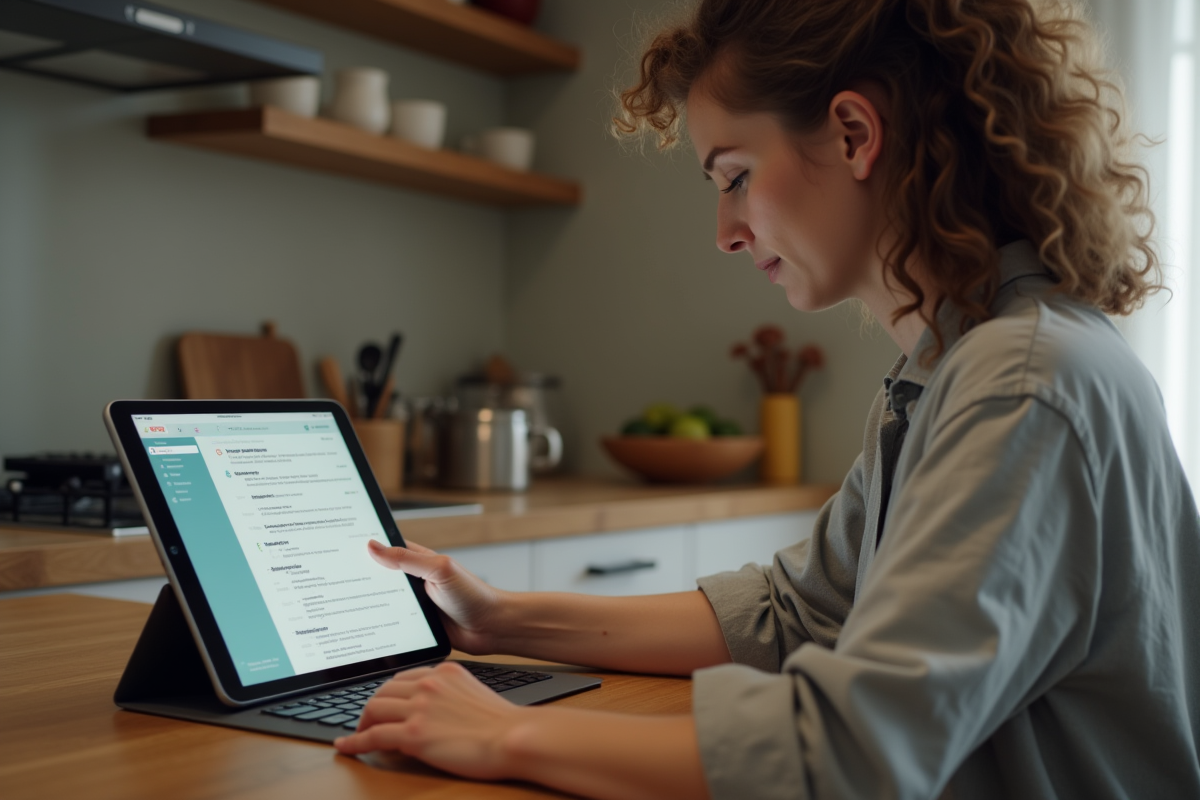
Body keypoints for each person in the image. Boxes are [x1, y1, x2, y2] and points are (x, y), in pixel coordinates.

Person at [334, 0, 1200, 797]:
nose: (726, 232)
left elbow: (852, 753)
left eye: (735, 176)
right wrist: (499, 619)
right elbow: (798, 613)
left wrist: (504, 737)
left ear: (856, 134)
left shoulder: (1021, 386)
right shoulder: (955, 367)